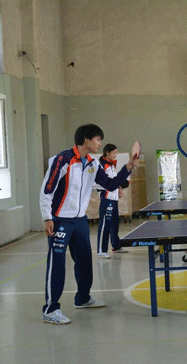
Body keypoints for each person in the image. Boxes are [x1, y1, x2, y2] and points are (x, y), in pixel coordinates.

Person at [40, 124, 139, 325]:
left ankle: (83, 298)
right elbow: (47, 189)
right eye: (97, 139)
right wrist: (47, 217)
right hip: (60, 220)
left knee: (85, 260)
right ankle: (50, 309)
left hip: (80, 222)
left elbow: (110, 184)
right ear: (86, 139)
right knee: (57, 265)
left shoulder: (93, 164)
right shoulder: (63, 160)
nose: (99, 143)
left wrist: (128, 167)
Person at [96, 144, 130, 259]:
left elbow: (114, 181)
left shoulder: (111, 166)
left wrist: (119, 189)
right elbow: (101, 183)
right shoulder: (102, 166)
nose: (116, 155)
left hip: (114, 200)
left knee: (115, 224)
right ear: (107, 153)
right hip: (106, 200)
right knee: (105, 225)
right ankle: (101, 250)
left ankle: (116, 246)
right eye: (114, 153)